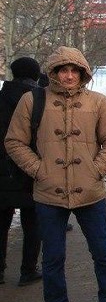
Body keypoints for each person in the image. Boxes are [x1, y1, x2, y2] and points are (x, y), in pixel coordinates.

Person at [4, 46, 106, 302]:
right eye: (63, 70)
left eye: (75, 70)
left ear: (83, 72)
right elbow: (14, 142)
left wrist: (96, 169)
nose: (69, 75)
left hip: (90, 191)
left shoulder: (97, 102)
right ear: (54, 72)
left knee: (103, 251)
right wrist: (39, 170)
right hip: (49, 193)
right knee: (53, 256)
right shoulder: (31, 100)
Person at [0, 57, 43, 287]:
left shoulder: (1, 97)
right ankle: (28, 270)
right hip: (29, 170)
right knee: (32, 222)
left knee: (1, 222)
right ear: (35, 75)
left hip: (2, 171)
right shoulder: (38, 101)